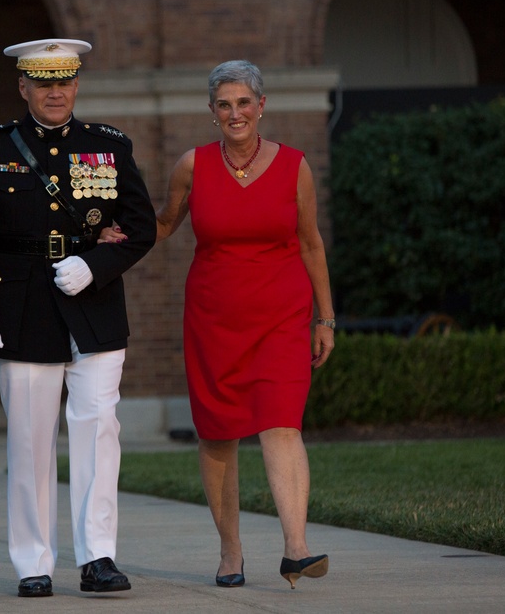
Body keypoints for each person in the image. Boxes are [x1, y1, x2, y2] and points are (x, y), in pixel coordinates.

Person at [101, 59, 334, 589]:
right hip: (213, 317)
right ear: (212, 112)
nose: (235, 113)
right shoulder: (193, 166)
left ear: (261, 106)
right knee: (218, 432)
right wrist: (123, 234)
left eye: (244, 103)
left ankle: (296, 548)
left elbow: (311, 243)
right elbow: (163, 225)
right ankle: (231, 553)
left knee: (282, 421)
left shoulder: (295, 165)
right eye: (224, 105)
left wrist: (326, 317)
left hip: (282, 314)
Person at [0, 38, 156, 598]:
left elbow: (141, 224)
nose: (55, 91)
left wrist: (96, 263)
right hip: (20, 306)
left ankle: (99, 557)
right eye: (43, 82)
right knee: (31, 442)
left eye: (64, 80)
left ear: (77, 84)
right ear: (23, 87)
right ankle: (32, 561)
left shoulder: (108, 146)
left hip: (94, 305)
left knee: (97, 434)